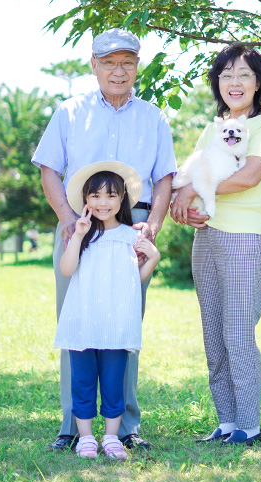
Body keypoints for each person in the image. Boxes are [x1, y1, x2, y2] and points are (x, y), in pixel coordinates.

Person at [32, 28, 177, 452]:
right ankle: (72, 427)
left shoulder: (153, 116)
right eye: (109, 62)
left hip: (130, 233)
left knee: (125, 325)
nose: (119, 71)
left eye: (127, 62)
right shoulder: (69, 111)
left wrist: (153, 225)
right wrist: (66, 219)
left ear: (137, 66)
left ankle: (126, 427)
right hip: (79, 231)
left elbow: (165, 178)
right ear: (93, 65)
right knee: (75, 324)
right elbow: (48, 170)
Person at [170, 43, 261, 446]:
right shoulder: (212, 127)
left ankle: (249, 426)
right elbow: (188, 175)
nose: (234, 83)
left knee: (237, 332)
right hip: (207, 237)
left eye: (244, 74)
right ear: (217, 83)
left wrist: (193, 194)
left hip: (245, 238)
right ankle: (226, 421)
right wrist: (179, 200)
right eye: (226, 75)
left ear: (258, 82)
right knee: (213, 334)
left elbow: (249, 176)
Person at [55, 162, 160, 459]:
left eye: (111, 196)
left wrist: (153, 258)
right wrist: (77, 235)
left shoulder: (131, 236)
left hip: (116, 324)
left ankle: (111, 437)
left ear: (122, 198)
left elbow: (132, 279)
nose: (103, 203)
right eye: (96, 196)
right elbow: (67, 269)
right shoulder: (82, 234)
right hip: (84, 322)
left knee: (114, 383)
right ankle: (86, 437)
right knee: (83, 382)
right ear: (86, 201)